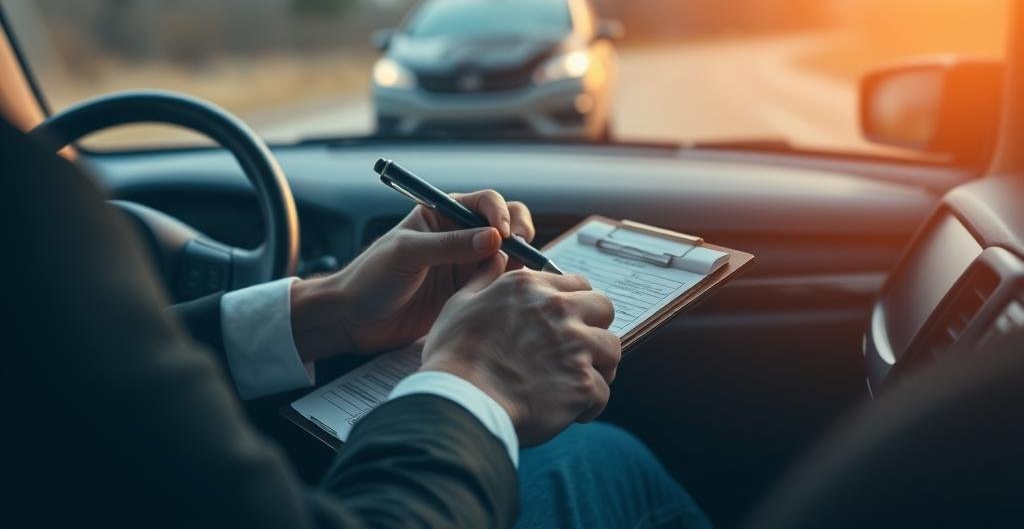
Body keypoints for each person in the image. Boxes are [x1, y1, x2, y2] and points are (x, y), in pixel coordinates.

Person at [3, 115, 710, 528]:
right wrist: (477, 379)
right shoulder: (27, 200)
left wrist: (327, 310)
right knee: (605, 460)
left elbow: (49, 387)